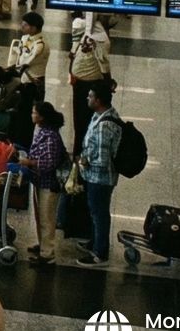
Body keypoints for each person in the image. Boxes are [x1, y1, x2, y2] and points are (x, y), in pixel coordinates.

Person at [75, 84, 121, 267]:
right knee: (96, 211)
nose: (87, 98)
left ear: (98, 100)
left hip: (100, 178)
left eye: (90, 96)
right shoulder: (103, 114)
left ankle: (100, 253)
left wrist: (84, 161)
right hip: (96, 177)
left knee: (99, 213)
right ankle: (94, 242)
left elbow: (102, 159)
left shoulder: (104, 125)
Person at [20, 101, 67, 268]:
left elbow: (48, 163)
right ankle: (42, 245)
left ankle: (48, 254)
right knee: (41, 216)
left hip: (49, 183)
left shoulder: (51, 136)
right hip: (40, 181)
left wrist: (28, 162)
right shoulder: (42, 131)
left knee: (47, 219)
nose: (32, 115)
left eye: (34, 113)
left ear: (41, 117)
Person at [66, 15, 111, 155]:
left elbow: (73, 53)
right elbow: (103, 63)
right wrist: (109, 82)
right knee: (87, 121)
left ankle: (79, 154)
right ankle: (83, 153)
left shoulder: (86, 31)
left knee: (80, 121)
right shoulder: (100, 38)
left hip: (80, 83)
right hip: (90, 84)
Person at [4, 11, 49, 103]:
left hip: (34, 82)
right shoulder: (25, 38)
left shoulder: (40, 45)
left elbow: (25, 62)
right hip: (24, 79)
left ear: (33, 28)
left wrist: (7, 71)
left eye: (25, 25)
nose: (22, 26)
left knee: (32, 110)